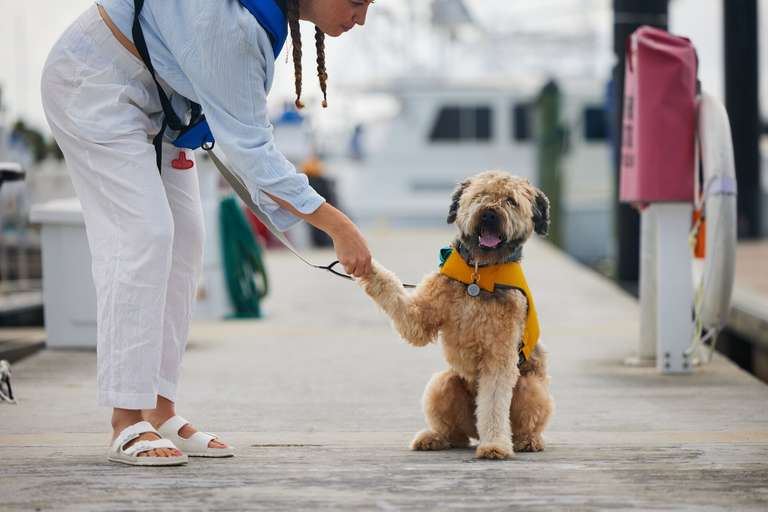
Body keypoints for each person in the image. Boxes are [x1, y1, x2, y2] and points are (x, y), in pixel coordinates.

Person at [41, 0, 374, 466]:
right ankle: (125, 418)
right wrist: (339, 227)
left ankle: (160, 409)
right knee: (144, 235)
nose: (361, 17)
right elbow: (254, 156)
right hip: (94, 81)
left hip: (160, 101)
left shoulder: (254, 22)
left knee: (186, 240)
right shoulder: (233, 30)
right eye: (358, 2)